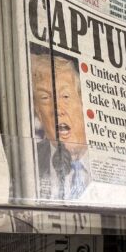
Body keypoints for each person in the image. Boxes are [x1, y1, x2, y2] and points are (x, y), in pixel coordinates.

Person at [29, 46, 89, 200]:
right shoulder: (26, 159)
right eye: (45, 98)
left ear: (82, 101)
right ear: (38, 113)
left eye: (65, 96)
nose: (57, 109)